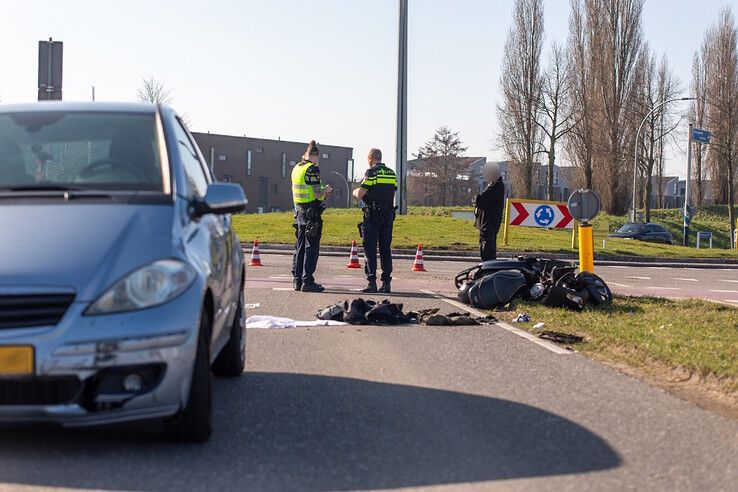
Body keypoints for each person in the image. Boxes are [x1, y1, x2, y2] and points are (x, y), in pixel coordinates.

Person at [353, 148, 397, 293]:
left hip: (372, 215)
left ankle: (372, 282)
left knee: (370, 249)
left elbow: (360, 194)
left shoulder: (371, 172)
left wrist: (354, 191)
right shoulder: (391, 173)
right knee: (385, 249)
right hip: (388, 215)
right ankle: (386, 283)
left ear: (371, 158)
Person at [291, 140, 332, 292]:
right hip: (312, 212)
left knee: (300, 246)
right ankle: (308, 281)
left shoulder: (296, 168)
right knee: (311, 247)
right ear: (316, 156)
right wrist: (325, 191)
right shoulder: (312, 169)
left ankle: (297, 279)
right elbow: (317, 193)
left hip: (299, 211)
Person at [473, 162, 505, 261]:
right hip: (486, 223)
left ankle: (488, 271)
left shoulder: (496, 186)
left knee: (487, 252)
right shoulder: (493, 185)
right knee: (485, 249)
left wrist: (475, 198)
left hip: (489, 224)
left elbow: (480, 200)